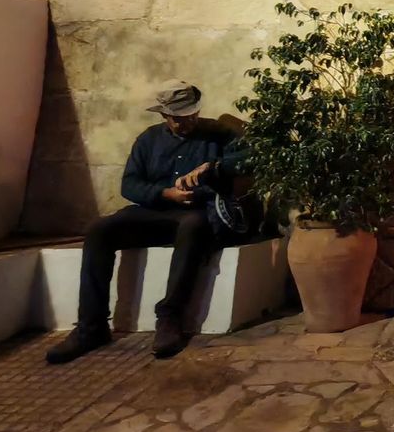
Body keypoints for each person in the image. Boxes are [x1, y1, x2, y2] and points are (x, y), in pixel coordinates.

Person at [45, 80, 246, 363]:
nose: (186, 122)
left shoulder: (218, 135)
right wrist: (165, 193)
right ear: (164, 115)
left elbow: (251, 157)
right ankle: (91, 327)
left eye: (190, 115)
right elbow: (130, 184)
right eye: (178, 118)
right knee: (99, 230)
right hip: (155, 211)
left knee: (193, 225)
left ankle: (170, 317)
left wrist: (214, 167)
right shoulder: (149, 139)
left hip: (195, 214)